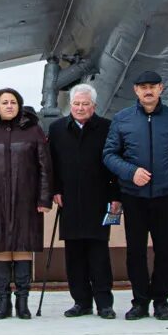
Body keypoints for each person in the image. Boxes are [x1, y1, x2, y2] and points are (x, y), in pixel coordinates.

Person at [102, 70, 168, 322]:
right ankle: (140, 301)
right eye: (143, 87)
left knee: (165, 250)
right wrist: (131, 173)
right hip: (134, 196)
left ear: (161, 89)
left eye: (153, 86)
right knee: (136, 251)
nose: (148, 90)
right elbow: (109, 155)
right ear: (136, 91)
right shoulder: (122, 119)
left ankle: (161, 301)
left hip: (165, 196)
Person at [0, 87, 51, 320]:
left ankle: (22, 302)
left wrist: (44, 198)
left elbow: (44, 167)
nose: (9, 106)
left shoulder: (33, 131)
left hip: (26, 199)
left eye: (13, 102)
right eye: (4, 102)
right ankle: (3, 302)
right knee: (0, 248)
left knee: (22, 247)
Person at [47, 83, 120, 319]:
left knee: (99, 255)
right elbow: (52, 164)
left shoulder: (108, 128)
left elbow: (115, 164)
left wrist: (116, 196)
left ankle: (104, 303)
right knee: (74, 256)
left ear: (94, 106)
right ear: (70, 105)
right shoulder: (58, 129)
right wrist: (55, 189)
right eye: (76, 104)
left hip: (99, 200)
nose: (80, 108)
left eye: (85, 104)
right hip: (69, 201)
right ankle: (81, 302)